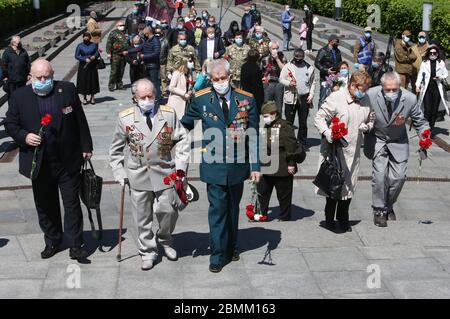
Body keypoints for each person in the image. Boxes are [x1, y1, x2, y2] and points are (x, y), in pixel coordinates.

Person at [4, 59, 93, 260]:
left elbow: (80, 119)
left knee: (72, 204)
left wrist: (86, 146)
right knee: (45, 205)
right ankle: (53, 240)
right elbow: (10, 123)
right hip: (39, 163)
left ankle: (76, 243)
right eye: (39, 77)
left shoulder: (67, 90)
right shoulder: (19, 96)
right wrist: (24, 136)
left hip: (67, 160)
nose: (43, 80)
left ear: (53, 75)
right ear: (31, 77)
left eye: (47, 77)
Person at [180, 58, 261, 273]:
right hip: (213, 165)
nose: (220, 82)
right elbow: (185, 124)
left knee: (233, 209)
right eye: (215, 79)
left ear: (230, 77)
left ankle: (232, 246)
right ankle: (217, 254)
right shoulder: (201, 99)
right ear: (210, 79)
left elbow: (253, 135)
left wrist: (255, 166)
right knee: (217, 211)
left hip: (237, 164)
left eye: (223, 78)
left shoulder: (246, 99)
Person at [109, 79, 190, 271]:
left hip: (165, 173)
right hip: (139, 174)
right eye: (143, 97)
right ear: (135, 98)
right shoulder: (126, 117)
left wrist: (180, 168)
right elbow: (116, 149)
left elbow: (182, 140)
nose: (147, 99)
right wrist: (119, 172)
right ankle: (147, 250)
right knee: (142, 217)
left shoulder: (168, 114)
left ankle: (165, 239)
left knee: (168, 211)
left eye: (150, 96)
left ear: (156, 95)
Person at [364, 72, 430, 227]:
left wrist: (424, 136)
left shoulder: (410, 98)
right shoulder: (371, 95)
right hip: (378, 139)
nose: (392, 93)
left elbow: (420, 121)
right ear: (382, 87)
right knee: (380, 177)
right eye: (388, 89)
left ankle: (388, 204)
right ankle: (379, 210)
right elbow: (361, 114)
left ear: (400, 87)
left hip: (398, 141)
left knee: (398, 178)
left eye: (395, 89)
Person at [314, 71, 374, 232]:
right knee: (334, 184)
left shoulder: (365, 99)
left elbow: (371, 117)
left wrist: (367, 127)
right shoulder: (337, 97)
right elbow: (319, 117)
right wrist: (328, 133)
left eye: (367, 89)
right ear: (353, 85)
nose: (365, 92)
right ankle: (329, 218)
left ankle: (343, 218)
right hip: (336, 150)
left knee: (349, 185)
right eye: (363, 88)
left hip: (354, 151)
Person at [258, 101, 298, 221]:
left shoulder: (285, 125)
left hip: (282, 165)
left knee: (284, 194)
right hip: (267, 164)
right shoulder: (268, 125)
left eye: (266, 116)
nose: (264, 118)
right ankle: (261, 214)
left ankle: (285, 216)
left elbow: (291, 145)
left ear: (274, 113)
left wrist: (291, 163)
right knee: (263, 192)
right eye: (263, 116)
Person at [280, 49, 316, 148]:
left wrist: (311, 94)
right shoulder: (288, 66)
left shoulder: (309, 68)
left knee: (303, 122)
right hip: (291, 97)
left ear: (303, 57)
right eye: (296, 58)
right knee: (289, 122)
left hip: (304, 97)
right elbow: (281, 79)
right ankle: (289, 142)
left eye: (299, 59)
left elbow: (313, 82)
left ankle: (302, 143)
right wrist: (289, 83)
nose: (297, 61)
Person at [416, 46, 449, 131]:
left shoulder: (441, 63)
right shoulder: (424, 63)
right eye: (431, 53)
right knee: (427, 110)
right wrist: (417, 85)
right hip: (427, 88)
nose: (432, 54)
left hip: (437, 89)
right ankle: (425, 129)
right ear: (428, 53)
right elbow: (420, 75)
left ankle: (431, 128)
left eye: (434, 53)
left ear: (437, 54)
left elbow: (445, 74)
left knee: (434, 111)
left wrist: (440, 77)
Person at [315, 34, 342, 107]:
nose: (338, 43)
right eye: (336, 41)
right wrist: (326, 70)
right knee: (323, 97)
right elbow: (317, 63)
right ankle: (320, 116)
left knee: (335, 96)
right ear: (330, 41)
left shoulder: (338, 51)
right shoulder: (323, 50)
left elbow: (340, 62)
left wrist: (341, 70)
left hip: (336, 77)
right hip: (325, 78)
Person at [261, 41, 286, 113]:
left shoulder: (282, 56)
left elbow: (285, 70)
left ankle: (278, 122)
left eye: (276, 48)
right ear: (269, 49)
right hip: (269, 84)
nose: (275, 50)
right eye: (273, 48)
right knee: (267, 107)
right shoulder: (265, 58)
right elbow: (261, 71)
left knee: (279, 107)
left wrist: (277, 59)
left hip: (279, 84)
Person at [75, 32, 100, 105]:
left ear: (90, 38)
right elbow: (76, 56)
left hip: (92, 66)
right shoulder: (80, 46)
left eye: (87, 36)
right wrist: (84, 59)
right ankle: (84, 97)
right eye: (84, 37)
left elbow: (97, 53)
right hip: (83, 66)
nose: (86, 38)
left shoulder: (94, 45)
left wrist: (94, 56)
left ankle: (92, 97)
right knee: (84, 81)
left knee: (92, 81)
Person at [106, 21, 129, 91]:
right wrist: (108, 53)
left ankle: (119, 84)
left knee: (121, 70)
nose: (122, 26)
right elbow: (109, 43)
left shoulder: (125, 32)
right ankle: (111, 85)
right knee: (114, 71)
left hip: (124, 55)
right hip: (115, 54)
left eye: (123, 25)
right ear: (117, 26)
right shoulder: (113, 33)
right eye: (120, 25)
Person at [141, 27, 161, 100]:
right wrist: (129, 51)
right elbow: (141, 47)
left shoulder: (155, 40)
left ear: (147, 33)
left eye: (144, 32)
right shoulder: (147, 40)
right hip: (147, 65)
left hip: (153, 65)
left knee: (155, 83)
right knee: (148, 83)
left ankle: (157, 98)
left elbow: (156, 53)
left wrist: (144, 56)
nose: (143, 33)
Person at [155, 26, 170, 96]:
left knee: (163, 77)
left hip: (163, 62)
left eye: (158, 32)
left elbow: (168, 52)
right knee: (155, 78)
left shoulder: (165, 41)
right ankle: (156, 91)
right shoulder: (153, 40)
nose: (157, 34)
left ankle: (164, 91)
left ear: (161, 32)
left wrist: (168, 62)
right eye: (156, 32)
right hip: (154, 62)